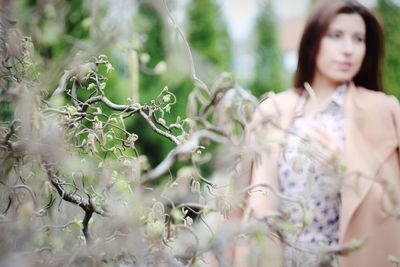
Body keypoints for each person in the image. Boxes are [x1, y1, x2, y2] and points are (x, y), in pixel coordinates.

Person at [238, 0, 400, 266]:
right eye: (336, 35)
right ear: (313, 40)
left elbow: (392, 207)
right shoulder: (272, 111)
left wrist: (345, 170)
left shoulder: (384, 112)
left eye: (358, 39)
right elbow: (240, 203)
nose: (349, 49)